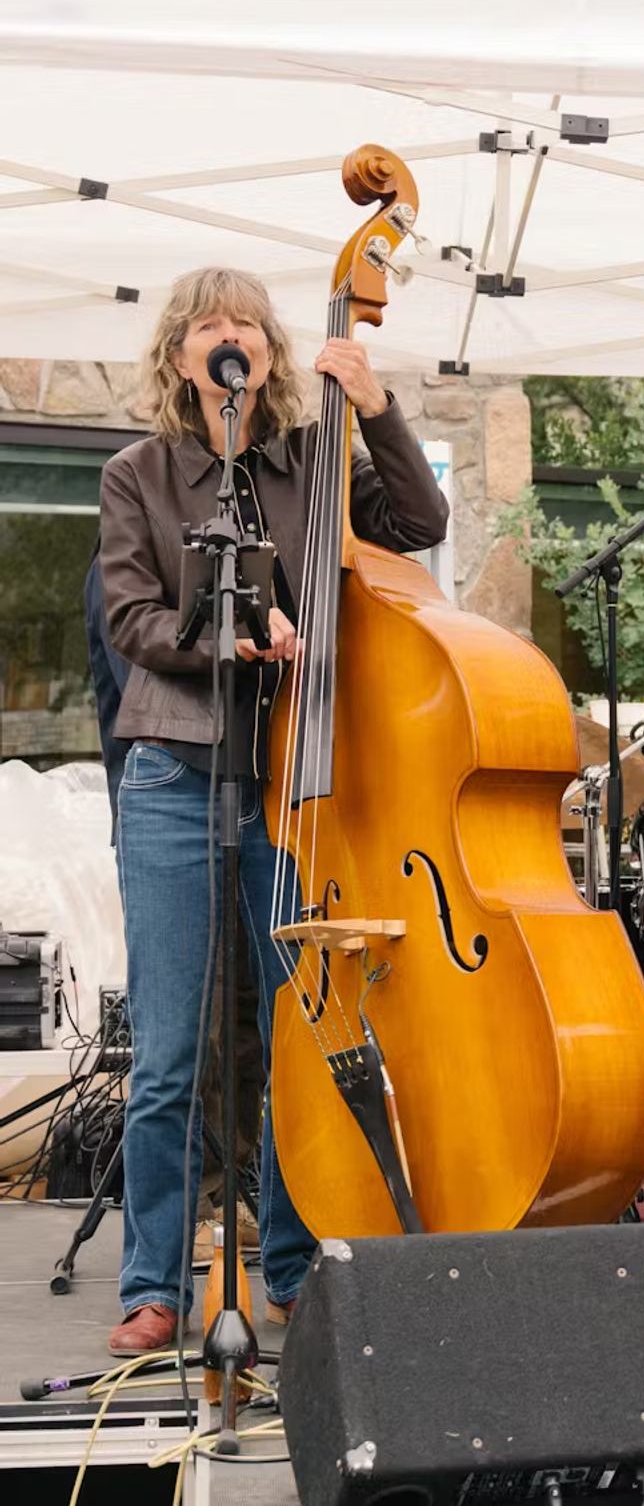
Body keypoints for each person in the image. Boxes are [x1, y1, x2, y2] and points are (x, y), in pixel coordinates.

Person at [97, 266, 448, 1355]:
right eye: (209, 323)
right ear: (181, 353)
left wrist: (376, 409)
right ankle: (155, 1285)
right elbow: (129, 616)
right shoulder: (138, 473)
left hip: (294, 783)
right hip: (172, 774)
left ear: (269, 348)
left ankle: (291, 1266)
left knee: (302, 1037)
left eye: (247, 321)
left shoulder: (314, 460)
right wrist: (230, 637)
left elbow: (420, 519)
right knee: (169, 1050)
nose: (230, 335)